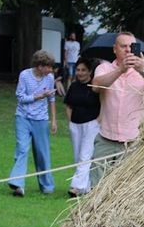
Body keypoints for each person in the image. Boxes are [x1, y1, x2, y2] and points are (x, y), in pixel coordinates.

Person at [89, 32, 144, 188]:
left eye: (131, 46)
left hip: (134, 141)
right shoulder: (104, 67)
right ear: (115, 49)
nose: (128, 50)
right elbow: (96, 86)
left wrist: (141, 70)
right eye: (123, 46)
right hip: (106, 138)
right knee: (97, 187)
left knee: (128, 189)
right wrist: (120, 70)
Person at [7, 49, 57, 197]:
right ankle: (18, 184)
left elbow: (52, 100)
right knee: (22, 149)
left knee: (42, 153)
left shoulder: (50, 78)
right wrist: (38, 96)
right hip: (23, 118)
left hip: (41, 120)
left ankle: (47, 186)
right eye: (48, 66)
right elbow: (20, 97)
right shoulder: (25, 75)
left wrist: (53, 120)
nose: (51, 69)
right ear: (40, 66)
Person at [64, 58, 101, 196]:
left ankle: (76, 187)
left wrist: (99, 120)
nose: (80, 73)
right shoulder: (73, 86)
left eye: (83, 70)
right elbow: (68, 105)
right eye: (78, 70)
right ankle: (86, 186)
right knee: (77, 155)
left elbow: (104, 102)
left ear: (90, 71)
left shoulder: (95, 86)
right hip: (75, 124)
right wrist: (70, 121)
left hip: (91, 124)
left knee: (85, 155)